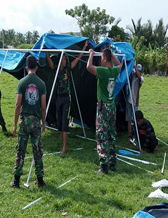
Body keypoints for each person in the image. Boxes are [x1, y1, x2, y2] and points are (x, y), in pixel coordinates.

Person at [45, 40, 88, 155]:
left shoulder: (68, 68)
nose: (65, 60)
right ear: (60, 60)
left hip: (65, 99)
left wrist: (84, 47)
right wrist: (47, 50)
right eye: (63, 59)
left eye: (65, 58)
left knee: (64, 123)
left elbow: (78, 58)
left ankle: (64, 148)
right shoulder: (56, 69)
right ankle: (62, 141)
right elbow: (49, 61)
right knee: (60, 123)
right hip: (58, 98)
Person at [10, 55, 47, 188]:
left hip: (24, 121)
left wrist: (14, 124)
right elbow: (43, 106)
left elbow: (17, 104)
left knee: (21, 150)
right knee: (37, 151)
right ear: (36, 67)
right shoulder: (41, 84)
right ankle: (40, 181)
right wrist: (43, 122)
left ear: (26, 67)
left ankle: (16, 181)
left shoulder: (22, 82)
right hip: (36, 122)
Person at [86, 46, 122, 174]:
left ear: (105, 59)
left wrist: (91, 54)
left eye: (101, 58)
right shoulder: (114, 71)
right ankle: (112, 163)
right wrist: (112, 55)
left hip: (103, 107)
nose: (100, 60)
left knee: (102, 136)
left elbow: (89, 67)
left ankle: (104, 166)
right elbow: (120, 65)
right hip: (112, 106)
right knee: (111, 135)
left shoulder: (103, 71)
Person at [126, 63, 144, 140]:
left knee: (136, 119)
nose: (138, 72)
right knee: (129, 119)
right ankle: (130, 137)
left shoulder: (141, 79)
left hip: (135, 102)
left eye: (139, 71)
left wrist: (135, 68)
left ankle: (137, 135)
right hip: (128, 100)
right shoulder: (132, 76)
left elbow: (139, 77)